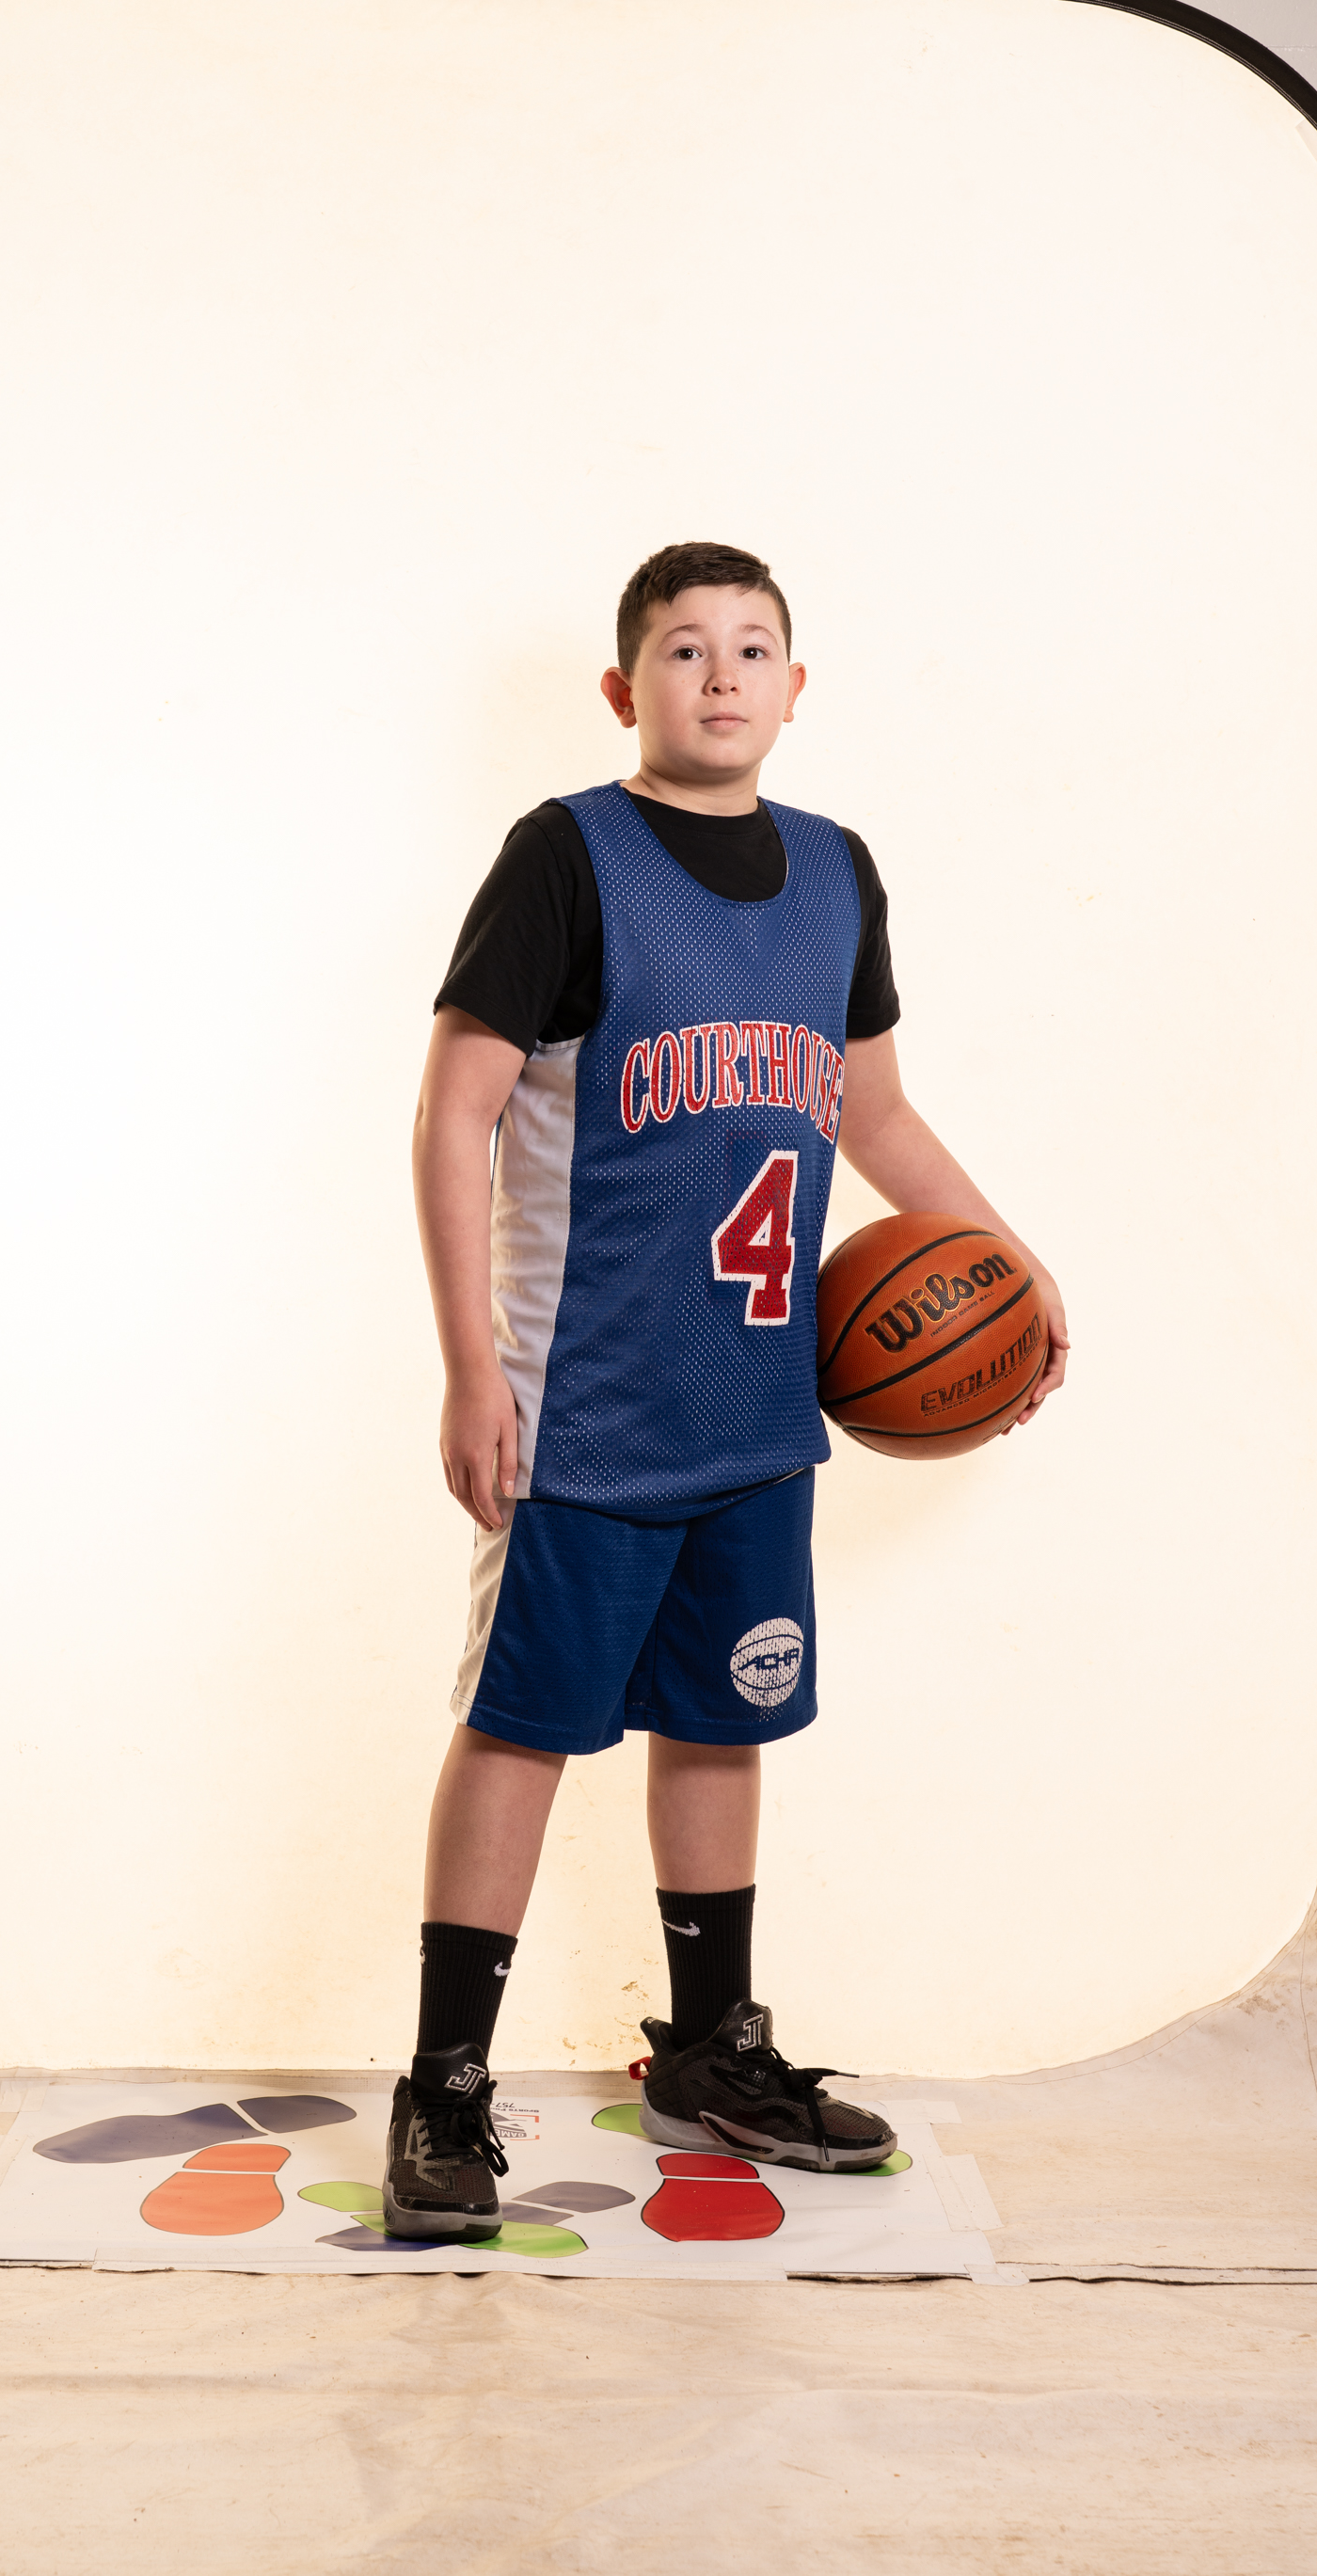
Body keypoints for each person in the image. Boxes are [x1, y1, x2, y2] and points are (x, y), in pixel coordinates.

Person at [382, 540, 1069, 2242]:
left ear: (794, 686)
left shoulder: (835, 873)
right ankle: (443, 2084)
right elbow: (454, 1110)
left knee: (723, 1717)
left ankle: (707, 2048)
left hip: (757, 1411)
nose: (719, 674)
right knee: (522, 1726)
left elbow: (869, 1111)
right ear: (625, 688)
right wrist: (469, 1366)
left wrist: (1006, 1258)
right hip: (585, 1407)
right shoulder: (567, 857)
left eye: (752, 647)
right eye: (683, 648)